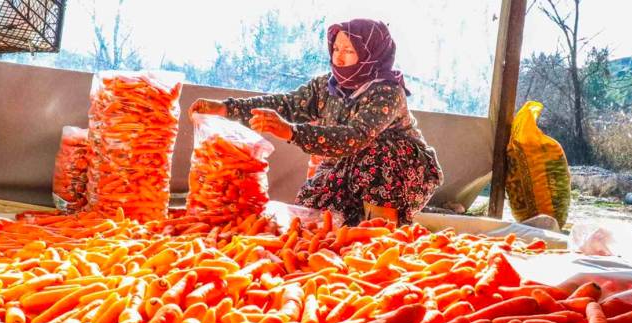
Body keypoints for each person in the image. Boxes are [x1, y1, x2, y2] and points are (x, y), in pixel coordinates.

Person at [189, 18, 443, 225]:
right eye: (336, 49)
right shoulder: (326, 86)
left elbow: (355, 137)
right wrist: (225, 107)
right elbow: (286, 104)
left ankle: (383, 234)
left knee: (377, 152)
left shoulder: (386, 91)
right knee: (312, 214)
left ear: (371, 54)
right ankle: (353, 238)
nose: (339, 58)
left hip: (401, 167)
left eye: (349, 50)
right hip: (345, 165)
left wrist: (292, 132)